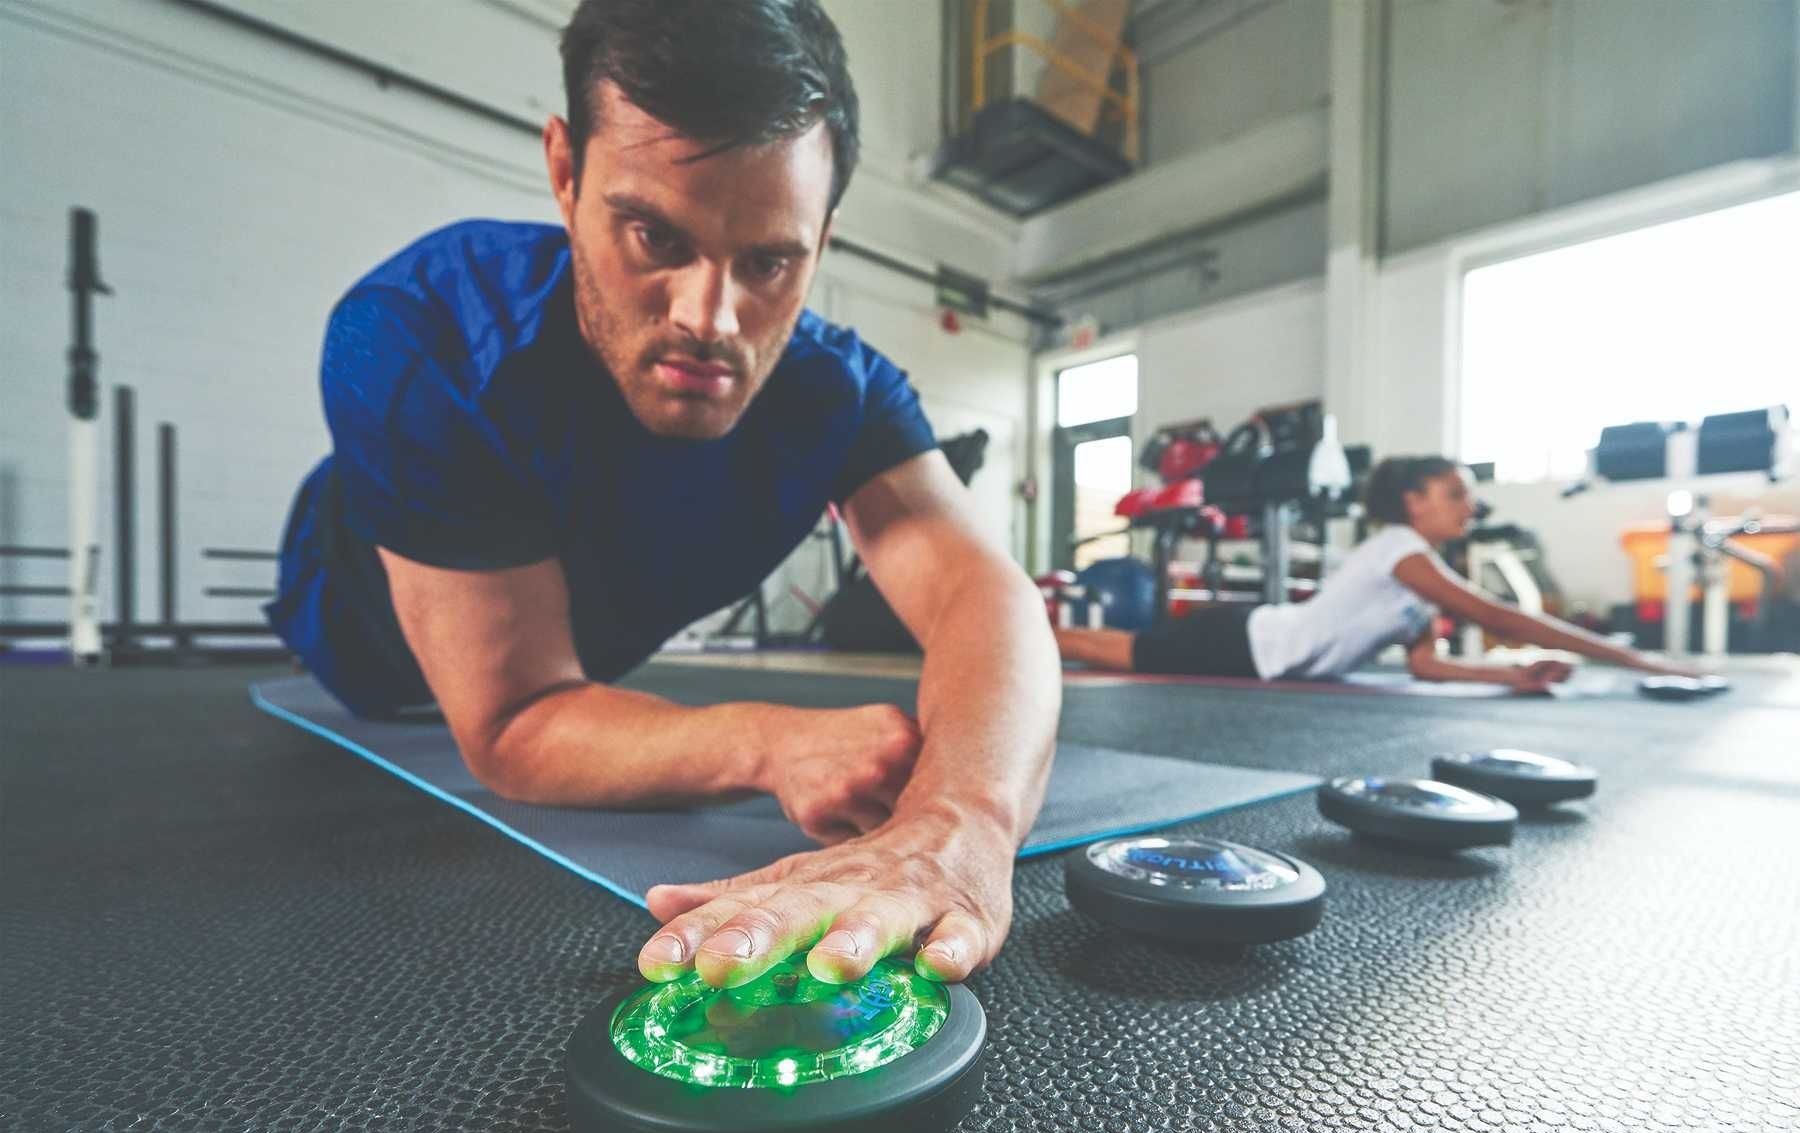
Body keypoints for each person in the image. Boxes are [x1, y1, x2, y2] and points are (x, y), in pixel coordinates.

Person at [264, 0, 1059, 992]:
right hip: (361, 642)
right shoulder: (421, 334)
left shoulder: (838, 389)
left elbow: (984, 594)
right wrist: (770, 740)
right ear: (564, 171)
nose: (709, 318)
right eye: (652, 233)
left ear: (823, 238)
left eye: (770, 260)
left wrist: (960, 821)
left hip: (580, 651)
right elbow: (512, 724)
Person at [1054, 455, 1698, 690]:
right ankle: (993, 638)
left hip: (1256, 651)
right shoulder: (1400, 548)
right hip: (1242, 639)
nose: (1469, 506)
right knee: (1093, 648)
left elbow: (1427, 665)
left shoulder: (1416, 581)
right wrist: (1632, 658)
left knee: (1099, 651)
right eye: (1455, 493)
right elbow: (1496, 615)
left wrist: (1513, 675)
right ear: (1413, 502)